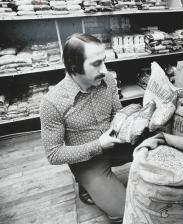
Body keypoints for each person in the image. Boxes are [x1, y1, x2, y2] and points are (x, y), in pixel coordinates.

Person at [40, 33, 132, 224]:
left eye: (104, 61)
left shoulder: (109, 81)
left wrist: (133, 122)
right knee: (124, 212)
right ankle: (86, 183)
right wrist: (99, 144)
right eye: (96, 64)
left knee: (158, 140)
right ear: (74, 67)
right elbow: (54, 154)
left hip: (116, 141)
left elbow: (118, 113)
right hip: (88, 160)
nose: (104, 70)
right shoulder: (52, 102)